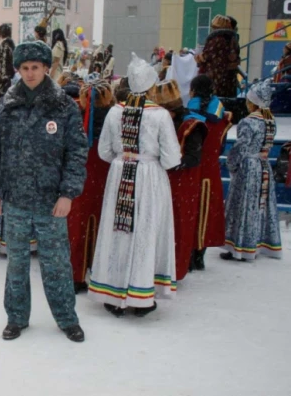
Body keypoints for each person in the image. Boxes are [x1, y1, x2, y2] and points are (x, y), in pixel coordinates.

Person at [0, 41, 88, 342]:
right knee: (16, 263)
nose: (30, 74)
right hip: (14, 199)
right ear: (18, 70)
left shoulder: (64, 107)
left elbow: (77, 153)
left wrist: (67, 193)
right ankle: (16, 317)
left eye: (35, 68)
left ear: (46, 68)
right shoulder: (5, 106)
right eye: (25, 68)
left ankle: (67, 319)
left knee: (56, 263)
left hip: (51, 200)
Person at [89, 53, 181, 318]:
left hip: (120, 174)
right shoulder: (161, 115)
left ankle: (112, 291)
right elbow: (172, 157)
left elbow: (104, 151)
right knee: (145, 231)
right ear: (152, 85)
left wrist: (123, 157)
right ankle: (140, 294)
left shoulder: (115, 112)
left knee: (117, 231)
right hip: (150, 174)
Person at [148, 80, 207, 281]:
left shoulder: (192, 125)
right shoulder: (163, 121)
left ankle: (177, 266)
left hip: (182, 183)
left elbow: (193, 158)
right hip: (164, 180)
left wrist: (172, 163)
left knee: (179, 224)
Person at [222, 79, 282, 261]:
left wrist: (231, 164)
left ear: (252, 103)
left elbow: (241, 147)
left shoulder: (248, 122)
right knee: (260, 206)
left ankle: (241, 246)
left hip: (249, 167)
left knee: (243, 206)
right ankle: (257, 242)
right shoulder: (270, 122)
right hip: (263, 166)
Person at [68, 80, 115, 293]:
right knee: (104, 225)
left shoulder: (72, 117)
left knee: (77, 227)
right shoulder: (116, 117)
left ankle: (75, 274)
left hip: (79, 178)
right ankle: (101, 274)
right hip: (106, 177)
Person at [186, 75, 231, 270]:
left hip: (191, 168)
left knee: (189, 210)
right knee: (207, 209)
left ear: (193, 90)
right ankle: (200, 254)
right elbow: (220, 147)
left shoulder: (189, 114)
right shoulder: (222, 115)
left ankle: (186, 254)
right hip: (211, 170)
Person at [195, 15, 241, 98]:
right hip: (229, 80)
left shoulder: (216, 39)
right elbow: (235, 59)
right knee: (226, 102)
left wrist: (199, 57)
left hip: (215, 77)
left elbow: (206, 56)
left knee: (213, 102)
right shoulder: (233, 40)